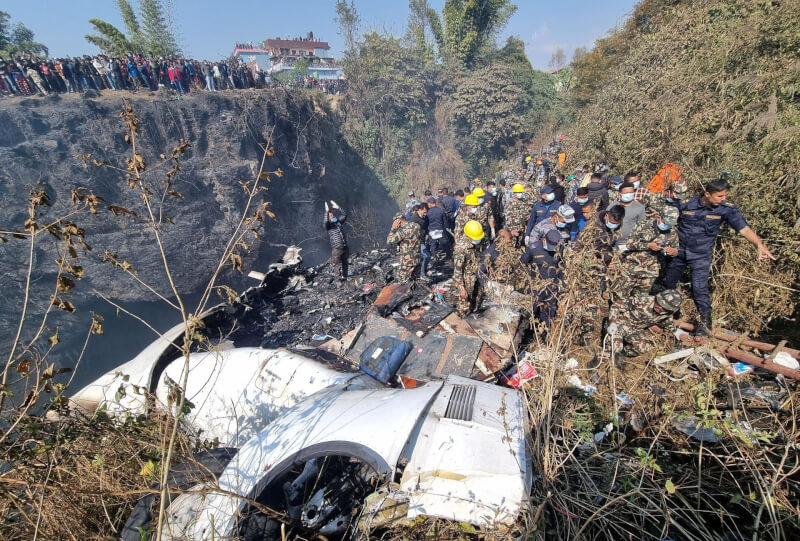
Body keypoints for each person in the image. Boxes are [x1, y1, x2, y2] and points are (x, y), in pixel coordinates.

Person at [659, 177, 774, 335]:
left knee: (699, 288)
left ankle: (705, 324)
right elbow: (668, 221)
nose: (723, 199)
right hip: (678, 252)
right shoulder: (686, 203)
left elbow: (744, 229)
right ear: (707, 194)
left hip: (701, 255)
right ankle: (668, 313)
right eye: (720, 196)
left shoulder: (726, 209)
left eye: (725, 195)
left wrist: (759, 245)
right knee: (668, 282)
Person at [610, 206, 679, 303]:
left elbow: (676, 249)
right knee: (619, 296)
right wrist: (647, 245)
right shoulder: (643, 225)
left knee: (640, 301)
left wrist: (673, 252)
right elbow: (629, 244)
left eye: (670, 224)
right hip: (631, 267)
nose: (667, 225)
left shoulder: (672, 232)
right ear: (659, 217)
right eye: (665, 222)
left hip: (650, 272)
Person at [607, 289, 683, 369]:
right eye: (659, 303)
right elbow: (616, 306)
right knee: (616, 347)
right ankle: (612, 356)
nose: (660, 308)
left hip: (635, 330)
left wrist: (676, 332)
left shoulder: (667, 314)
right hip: (619, 325)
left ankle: (622, 353)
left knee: (644, 347)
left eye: (664, 308)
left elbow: (668, 323)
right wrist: (613, 323)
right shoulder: (642, 300)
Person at [521, 229, 563, 329]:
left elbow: (561, 266)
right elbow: (522, 264)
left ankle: (545, 337)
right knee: (529, 311)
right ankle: (526, 334)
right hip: (536, 285)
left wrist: (561, 283)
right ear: (544, 239)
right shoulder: (533, 248)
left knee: (548, 314)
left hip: (552, 286)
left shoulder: (560, 248)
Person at [453, 221, 487, 317]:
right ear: (468, 236)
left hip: (476, 274)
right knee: (464, 302)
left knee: (477, 297)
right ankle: (461, 318)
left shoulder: (475, 243)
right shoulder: (461, 249)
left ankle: (474, 312)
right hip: (466, 279)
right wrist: (461, 288)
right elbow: (457, 272)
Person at [387, 213, 422, 283]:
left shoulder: (403, 231)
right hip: (417, 258)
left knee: (402, 281)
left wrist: (393, 229)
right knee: (414, 280)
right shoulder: (416, 226)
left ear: (398, 221)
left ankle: (407, 294)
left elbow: (389, 241)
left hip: (407, 260)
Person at [611, 181, 647, 247]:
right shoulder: (612, 206)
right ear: (620, 193)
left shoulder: (640, 207)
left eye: (631, 192)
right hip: (613, 242)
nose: (629, 194)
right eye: (626, 193)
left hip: (629, 244)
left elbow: (642, 226)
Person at [324, 200, 348, 280]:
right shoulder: (329, 226)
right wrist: (326, 212)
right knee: (337, 264)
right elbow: (325, 222)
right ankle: (338, 279)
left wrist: (338, 207)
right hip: (336, 249)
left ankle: (345, 277)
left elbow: (345, 214)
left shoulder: (338, 222)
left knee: (345, 262)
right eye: (330, 216)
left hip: (344, 246)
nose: (333, 216)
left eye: (333, 215)